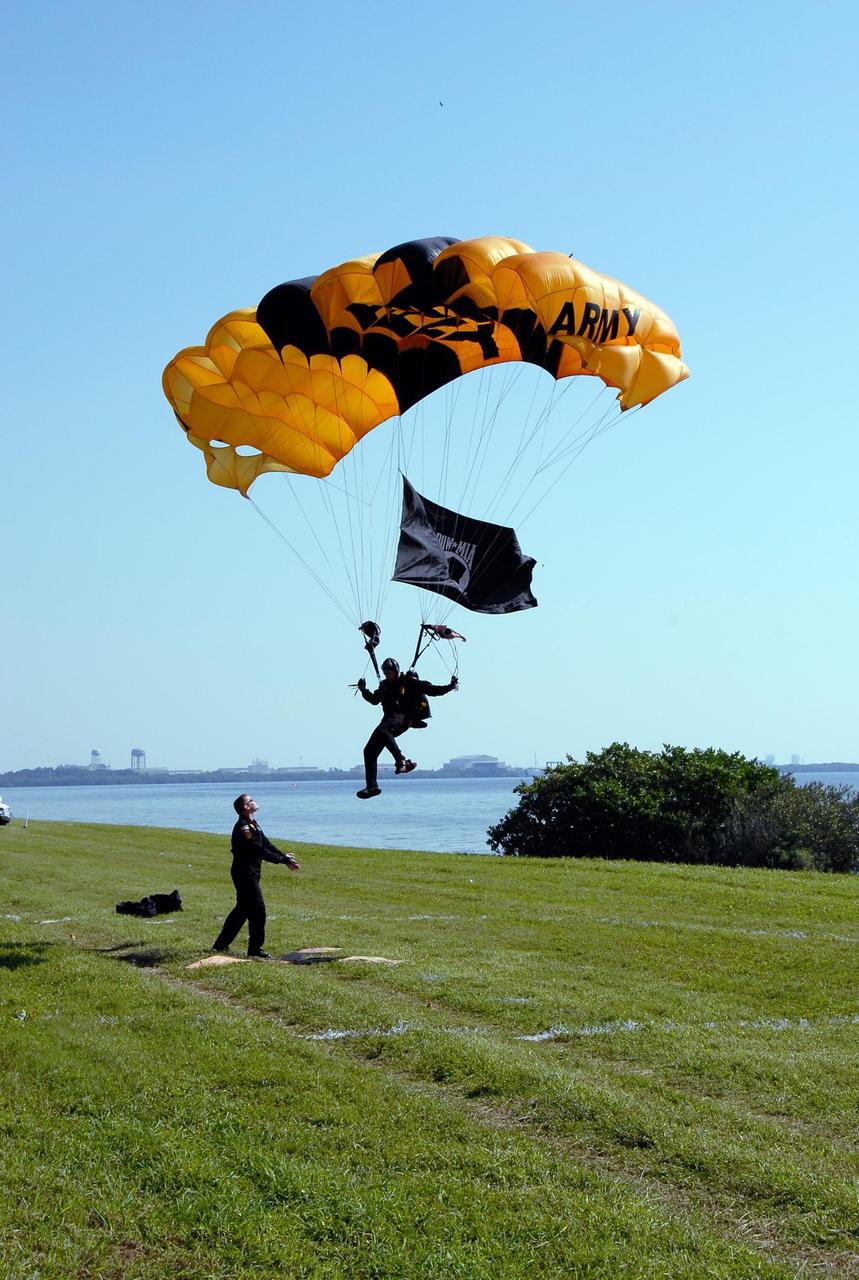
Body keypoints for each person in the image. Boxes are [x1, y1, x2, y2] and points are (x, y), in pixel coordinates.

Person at [355, 657, 458, 799]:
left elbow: (431, 690)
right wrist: (363, 690)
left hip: (402, 719)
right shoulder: (384, 686)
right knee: (369, 751)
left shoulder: (408, 682)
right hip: (388, 721)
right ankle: (372, 786)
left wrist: (450, 686)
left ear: (396, 672)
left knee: (382, 731)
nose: (387, 676)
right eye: (385, 674)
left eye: (389, 673)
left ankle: (401, 761)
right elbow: (374, 700)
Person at [212, 794, 300, 959]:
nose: (254, 801)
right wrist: (282, 860)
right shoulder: (243, 826)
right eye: (250, 800)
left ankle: (220, 945)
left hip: (250, 872)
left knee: (242, 911)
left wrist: (285, 857)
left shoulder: (253, 824)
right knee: (258, 910)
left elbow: (266, 844)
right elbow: (257, 850)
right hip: (244, 873)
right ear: (246, 807)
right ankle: (255, 950)